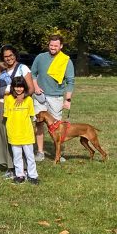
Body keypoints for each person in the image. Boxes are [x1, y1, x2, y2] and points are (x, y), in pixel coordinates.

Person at [0, 45, 35, 177]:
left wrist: (22, 96)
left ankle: (24, 168)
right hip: (1, 105)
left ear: (15, 55)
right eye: (6, 56)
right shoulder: (0, 69)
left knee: (18, 135)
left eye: (11, 55)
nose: (9, 58)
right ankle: (10, 167)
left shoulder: (23, 68)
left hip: (18, 107)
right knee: (4, 135)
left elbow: (31, 88)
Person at [30, 34, 75, 162]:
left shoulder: (66, 60)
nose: (53, 47)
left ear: (61, 46)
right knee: (38, 124)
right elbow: (33, 74)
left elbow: (70, 81)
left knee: (57, 127)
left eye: (56, 45)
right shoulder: (40, 57)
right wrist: (36, 87)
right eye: (51, 45)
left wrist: (67, 99)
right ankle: (40, 152)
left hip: (56, 98)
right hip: (40, 96)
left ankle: (58, 154)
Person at [3, 76, 39, 185]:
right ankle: (20, 175)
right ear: (13, 87)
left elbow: (32, 116)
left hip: (26, 132)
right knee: (17, 156)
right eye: (16, 87)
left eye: (21, 87)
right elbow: (7, 116)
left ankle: (33, 175)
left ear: (25, 87)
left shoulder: (28, 99)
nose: (19, 89)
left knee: (30, 156)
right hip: (14, 132)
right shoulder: (9, 99)